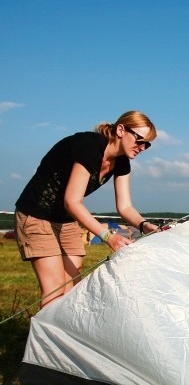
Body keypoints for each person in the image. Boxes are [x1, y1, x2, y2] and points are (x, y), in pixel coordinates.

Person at [14, 110, 160, 308]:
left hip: (65, 220)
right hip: (36, 215)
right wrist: (109, 236)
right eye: (139, 140)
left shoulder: (122, 162)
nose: (142, 147)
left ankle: (61, 337)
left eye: (147, 144)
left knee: (73, 290)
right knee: (55, 290)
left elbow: (125, 206)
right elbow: (72, 201)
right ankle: (42, 338)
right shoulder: (90, 146)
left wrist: (144, 225)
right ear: (120, 130)